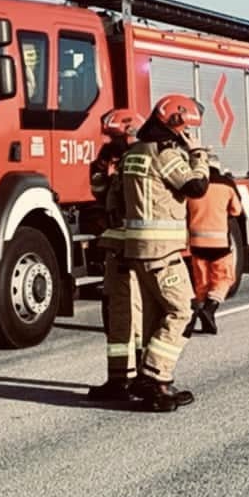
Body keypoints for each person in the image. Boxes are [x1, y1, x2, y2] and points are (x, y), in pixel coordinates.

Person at [116, 95, 212, 411]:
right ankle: (153, 376)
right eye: (185, 129)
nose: (186, 134)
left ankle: (157, 385)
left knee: (154, 316)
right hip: (162, 250)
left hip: (138, 248)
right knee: (184, 312)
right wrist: (198, 154)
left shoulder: (134, 152)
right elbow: (196, 187)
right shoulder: (164, 153)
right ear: (175, 125)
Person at [85, 107, 145, 401]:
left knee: (136, 311)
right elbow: (98, 191)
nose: (112, 143)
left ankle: (143, 375)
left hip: (138, 248)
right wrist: (104, 171)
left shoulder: (143, 158)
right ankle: (122, 377)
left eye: (116, 137)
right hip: (117, 248)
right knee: (117, 312)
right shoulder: (107, 158)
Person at [184, 155, 243, 337]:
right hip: (220, 244)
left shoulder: (193, 186)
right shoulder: (227, 184)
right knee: (223, 279)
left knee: (201, 283)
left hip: (196, 244)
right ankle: (210, 309)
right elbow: (236, 210)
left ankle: (200, 320)